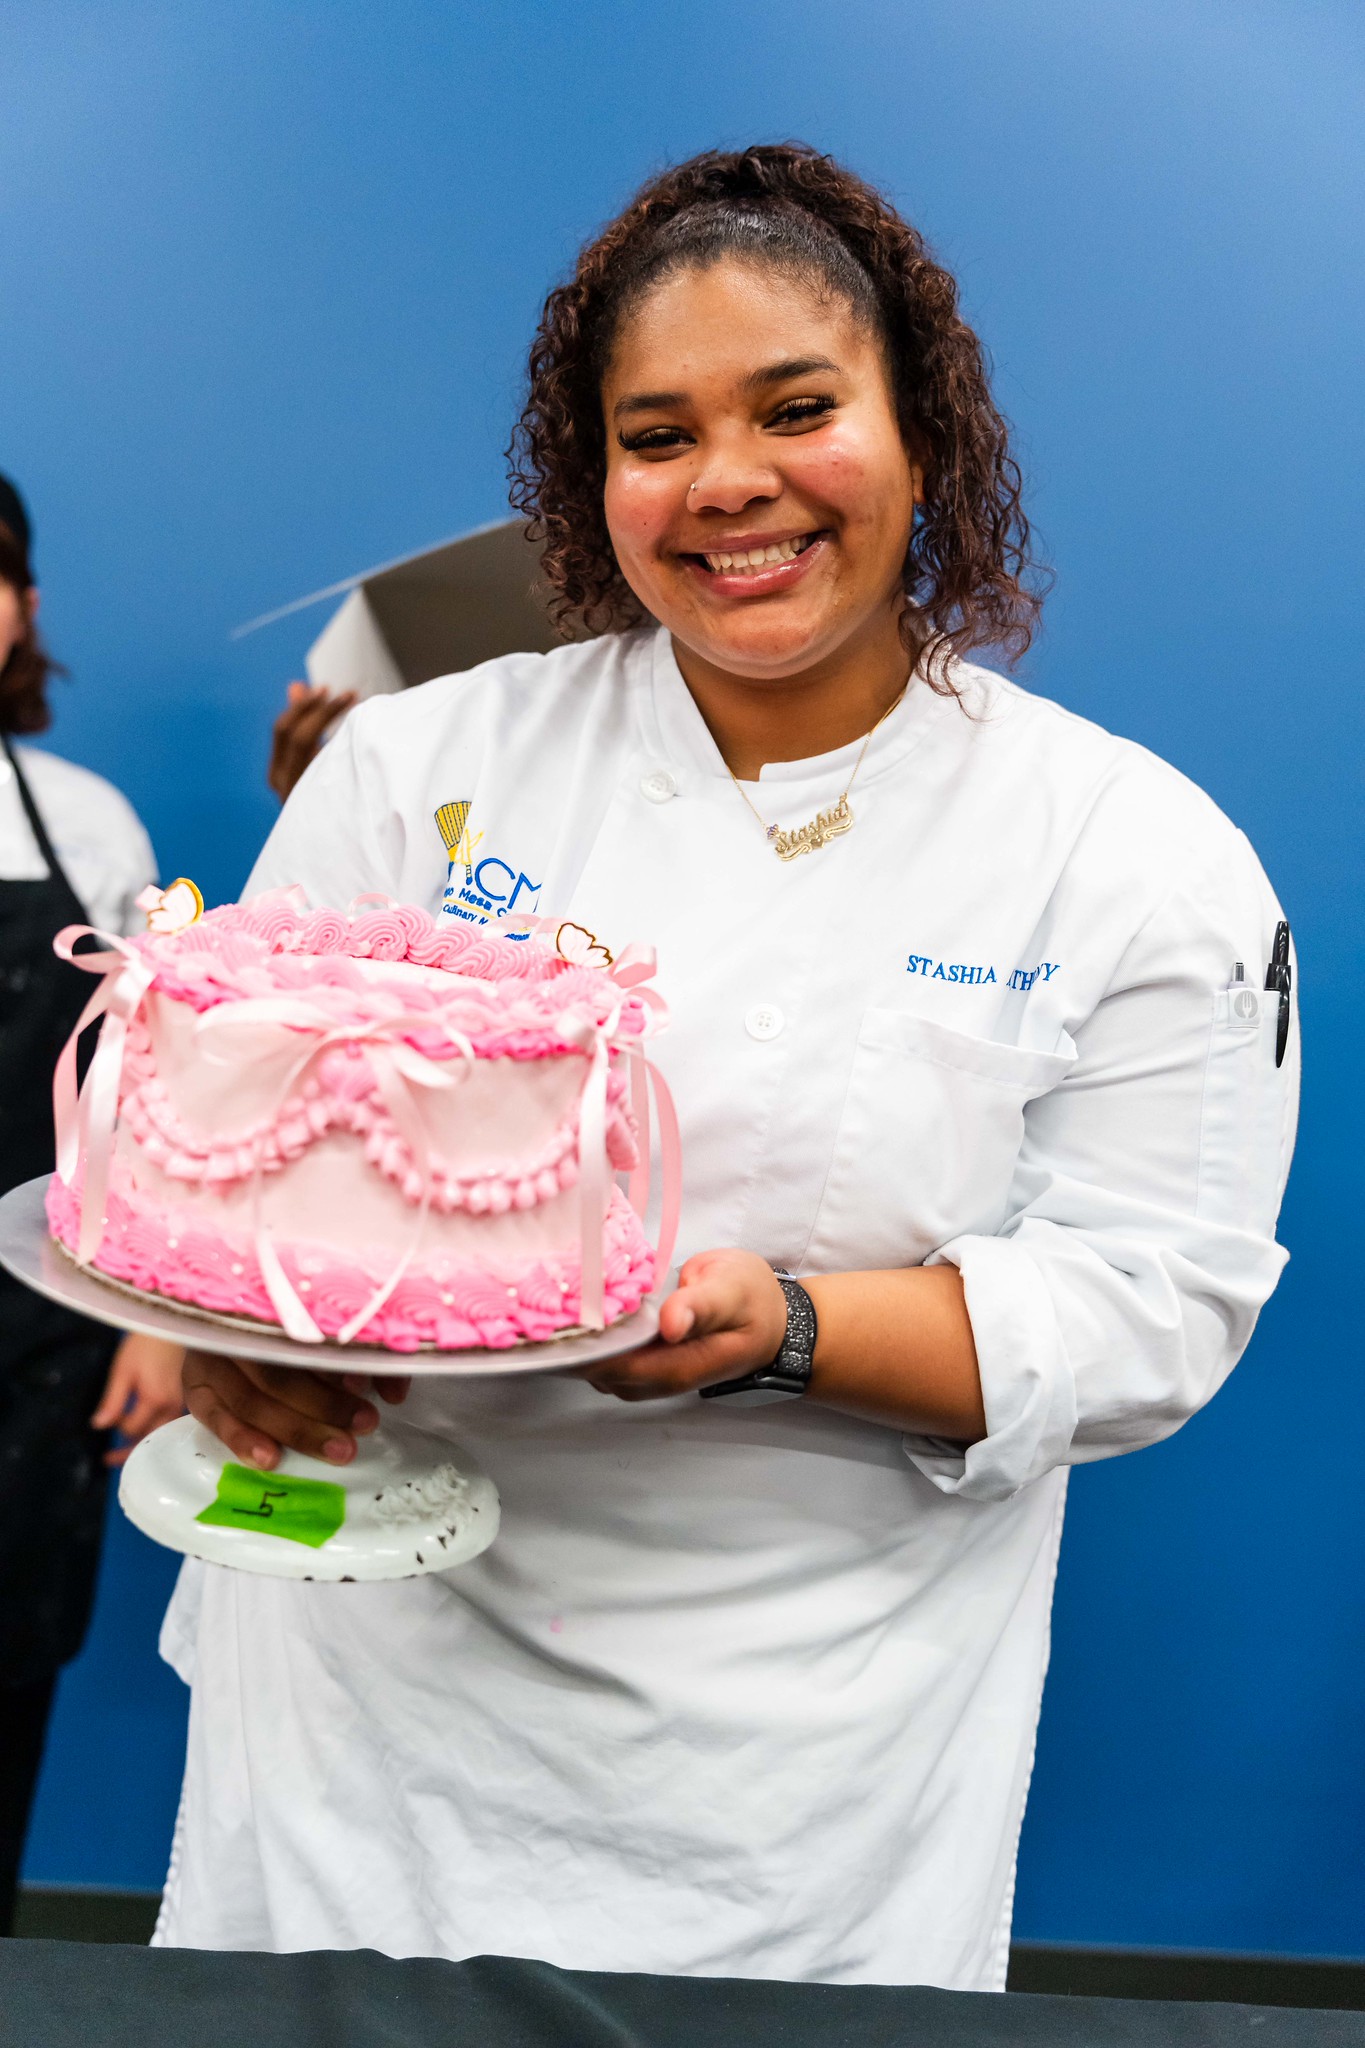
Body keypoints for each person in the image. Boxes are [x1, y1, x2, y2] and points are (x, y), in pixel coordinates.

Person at [162, 146, 1297, 1988]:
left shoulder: (1128, 849)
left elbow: (1152, 1312)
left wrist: (782, 1323)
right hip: (368, 1707)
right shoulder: (414, 769)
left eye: (794, 409)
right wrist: (236, 1344)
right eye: (655, 432)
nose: (728, 487)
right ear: (590, 475)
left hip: (806, 1776)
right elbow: (235, 1169)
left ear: (917, 427)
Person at [0, 474, 184, 1933]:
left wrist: (151, 1323)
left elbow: (150, 1090)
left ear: (24, 608)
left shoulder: (86, 825)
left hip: (35, 1350)